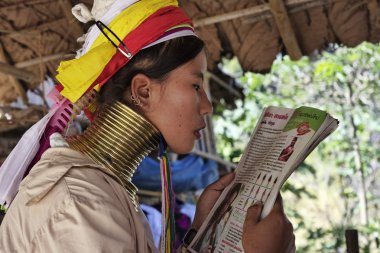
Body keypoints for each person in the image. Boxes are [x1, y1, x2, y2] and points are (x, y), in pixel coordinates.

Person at [0, 0, 295, 252]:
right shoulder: (81, 202)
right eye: (195, 85)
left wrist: (200, 235)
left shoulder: (99, 189)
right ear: (143, 91)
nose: (207, 106)